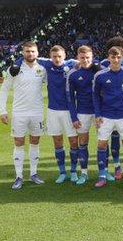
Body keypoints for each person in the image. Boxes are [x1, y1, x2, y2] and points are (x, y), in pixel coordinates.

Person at [15, 45, 79, 184]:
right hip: (53, 110)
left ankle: (73, 171)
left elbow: (88, 61)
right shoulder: (46, 64)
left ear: (65, 55)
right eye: (54, 56)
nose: (57, 59)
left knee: (74, 141)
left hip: (69, 110)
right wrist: (16, 63)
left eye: (59, 56)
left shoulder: (72, 64)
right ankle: (62, 172)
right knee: (57, 141)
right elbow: (28, 56)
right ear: (50, 57)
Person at [0, 41, 46, 190]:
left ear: (37, 53)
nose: (30, 54)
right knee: (19, 143)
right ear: (23, 53)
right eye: (27, 51)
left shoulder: (43, 69)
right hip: (19, 113)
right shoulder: (14, 69)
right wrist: (3, 111)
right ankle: (19, 176)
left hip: (37, 112)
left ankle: (33, 173)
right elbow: (4, 89)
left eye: (32, 51)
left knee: (35, 142)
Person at [92, 46, 123, 188]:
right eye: (113, 57)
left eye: (118, 57)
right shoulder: (100, 75)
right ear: (108, 57)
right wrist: (97, 115)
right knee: (102, 144)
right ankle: (102, 175)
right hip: (106, 116)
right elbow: (95, 96)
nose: (116, 60)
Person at [66, 45, 100, 185]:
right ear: (77, 58)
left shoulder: (99, 70)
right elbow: (70, 98)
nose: (85, 60)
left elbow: (120, 59)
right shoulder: (73, 74)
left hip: (99, 113)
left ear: (92, 57)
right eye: (82, 58)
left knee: (102, 142)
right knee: (83, 142)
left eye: (88, 57)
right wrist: (74, 117)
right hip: (82, 113)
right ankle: (84, 172)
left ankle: (103, 172)